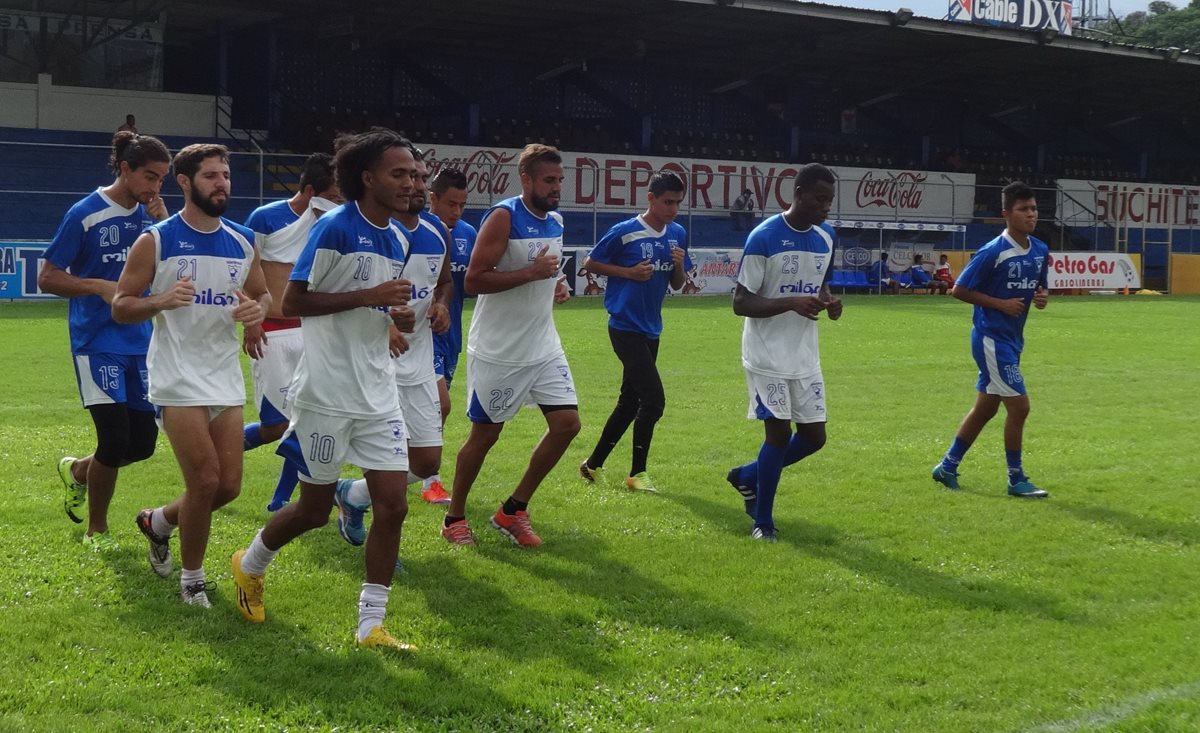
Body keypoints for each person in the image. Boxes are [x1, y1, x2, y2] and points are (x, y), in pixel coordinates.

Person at [230, 128, 420, 650]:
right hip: (326, 394)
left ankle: (371, 625)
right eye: (398, 173)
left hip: (378, 393)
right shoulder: (334, 228)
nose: (409, 183)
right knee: (312, 512)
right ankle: (249, 565)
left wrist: (394, 314)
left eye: (411, 174)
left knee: (394, 504)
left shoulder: (400, 238)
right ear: (367, 178)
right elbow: (291, 303)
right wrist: (371, 295)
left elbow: (374, 306)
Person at [112, 143, 270, 606]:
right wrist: (159, 301)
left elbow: (264, 297)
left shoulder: (242, 240)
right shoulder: (157, 240)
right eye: (211, 176)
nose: (222, 183)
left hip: (223, 374)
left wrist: (253, 312)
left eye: (225, 175)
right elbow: (122, 305)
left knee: (228, 486)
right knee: (203, 480)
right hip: (176, 376)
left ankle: (158, 522)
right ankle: (192, 581)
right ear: (184, 183)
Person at [39, 131, 171, 550]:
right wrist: (98, 286)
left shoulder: (156, 219)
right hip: (96, 342)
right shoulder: (85, 212)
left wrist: (164, 223)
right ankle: (97, 530)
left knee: (143, 445)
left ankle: (78, 471)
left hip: (143, 342)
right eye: (150, 176)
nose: (155, 187)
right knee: (114, 439)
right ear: (125, 169)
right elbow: (47, 277)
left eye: (163, 179)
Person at [441, 143, 578, 548]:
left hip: (543, 344)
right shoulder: (504, 216)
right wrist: (531, 272)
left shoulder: (555, 221)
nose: (556, 188)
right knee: (485, 436)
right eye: (549, 180)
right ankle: (454, 517)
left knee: (568, 425)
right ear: (527, 179)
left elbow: (545, 272)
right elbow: (475, 280)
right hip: (500, 349)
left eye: (559, 180)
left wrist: (557, 283)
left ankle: (513, 510)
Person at [332, 153, 454, 547]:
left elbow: (444, 281)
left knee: (426, 462)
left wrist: (440, 304)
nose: (416, 185)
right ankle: (383, 551)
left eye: (421, 178)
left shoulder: (437, 233)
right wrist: (382, 326)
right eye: (408, 177)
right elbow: (340, 291)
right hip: (370, 361)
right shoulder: (374, 234)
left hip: (416, 360)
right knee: (381, 461)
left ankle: (353, 494)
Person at [725, 163, 843, 542]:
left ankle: (746, 476)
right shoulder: (764, 237)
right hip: (766, 354)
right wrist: (790, 302)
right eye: (820, 199)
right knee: (777, 435)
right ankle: (763, 523)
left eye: (830, 200)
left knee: (814, 437)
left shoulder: (827, 238)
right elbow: (741, 303)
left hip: (804, 353)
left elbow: (820, 286)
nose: (826, 207)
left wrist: (829, 302)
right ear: (798, 194)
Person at [932, 181, 1050, 498]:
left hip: (1012, 339)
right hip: (991, 339)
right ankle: (1016, 478)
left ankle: (947, 466)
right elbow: (958, 289)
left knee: (986, 409)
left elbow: (1040, 286)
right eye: (1023, 209)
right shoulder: (993, 251)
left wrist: (1042, 296)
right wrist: (999, 304)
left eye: (1034, 208)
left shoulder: (1040, 250)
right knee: (1020, 407)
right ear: (1006, 214)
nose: (1031, 214)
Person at [240, 153, 343, 512]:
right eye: (334, 195)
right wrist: (251, 321)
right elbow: (240, 273)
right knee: (275, 425)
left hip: (311, 332)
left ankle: (281, 499)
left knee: (306, 418)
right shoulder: (266, 218)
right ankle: (214, 449)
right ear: (312, 191)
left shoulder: (329, 227)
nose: (339, 203)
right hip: (271, 332)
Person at [578, 170, 691, 492]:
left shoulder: (678, 234)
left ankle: (592, 465)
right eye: (667, 202)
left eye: (678, 203)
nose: (673, 209)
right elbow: (590, 263)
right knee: (653, 401)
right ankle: (637, 474)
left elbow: (678, 284)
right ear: (651, 198)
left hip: (651, 328)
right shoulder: (624, 232)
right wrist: (627, 272)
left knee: (630, 402)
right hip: (624, 325)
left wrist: (680, 264)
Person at [428, 167, 477, 422]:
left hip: (452, 337)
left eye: (462, 205)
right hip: (422, 337)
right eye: (451, 204)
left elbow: (475, 281)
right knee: (439, 405)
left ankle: (423, 462)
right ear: (432, 198)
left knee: (436, 417)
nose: (456, 212)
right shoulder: (417, 231)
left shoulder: (468, 234)